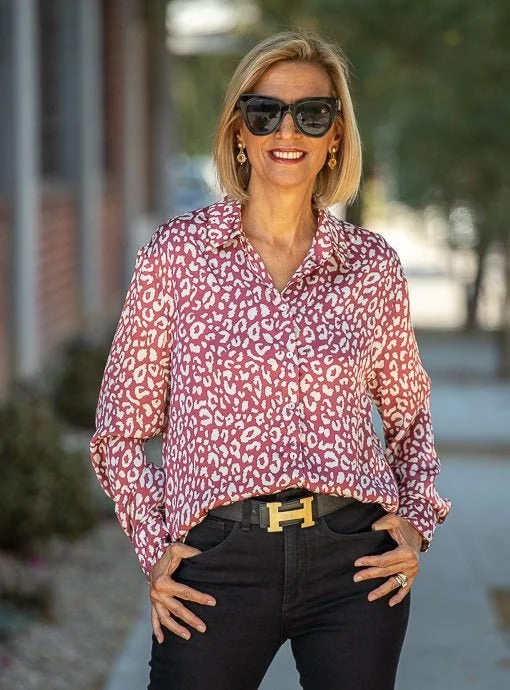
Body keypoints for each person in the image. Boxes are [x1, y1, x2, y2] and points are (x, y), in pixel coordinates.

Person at [89, 30, 451, 690]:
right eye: (266, 111)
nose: (289, 131)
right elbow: (118, 430)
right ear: (239, 130)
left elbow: (409, 417)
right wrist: (153, 548)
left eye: (313, 113)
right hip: (216, 564)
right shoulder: (177, 257)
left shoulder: (370, 267)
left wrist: (415, 521)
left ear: (336, 135)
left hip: (353, 562)